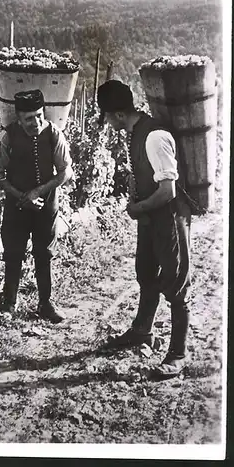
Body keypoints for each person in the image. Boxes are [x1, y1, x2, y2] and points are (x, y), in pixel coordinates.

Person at [97, 79, 192, 378]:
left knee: (176, 283)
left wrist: (138, 207)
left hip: (169, 219)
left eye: (109, 118)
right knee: (146, 273)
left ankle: (178, 354)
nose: (109, 124)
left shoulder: (154, 137)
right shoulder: (136, 133)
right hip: (152, 219)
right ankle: (142, 331)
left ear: (119, 115)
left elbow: (168, 190)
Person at [0, 89, 73, 323]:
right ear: (18, 118)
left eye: (38, 115)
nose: (35, 122)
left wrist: (39, 191)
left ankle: (46, 304)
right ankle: (9, 304)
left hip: (46, 207)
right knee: (13, 253)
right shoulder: (6, 137)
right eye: (29, 118)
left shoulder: (54, 134)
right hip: (16, 207)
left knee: (44, 254)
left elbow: (66, 171)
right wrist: (21, 196)